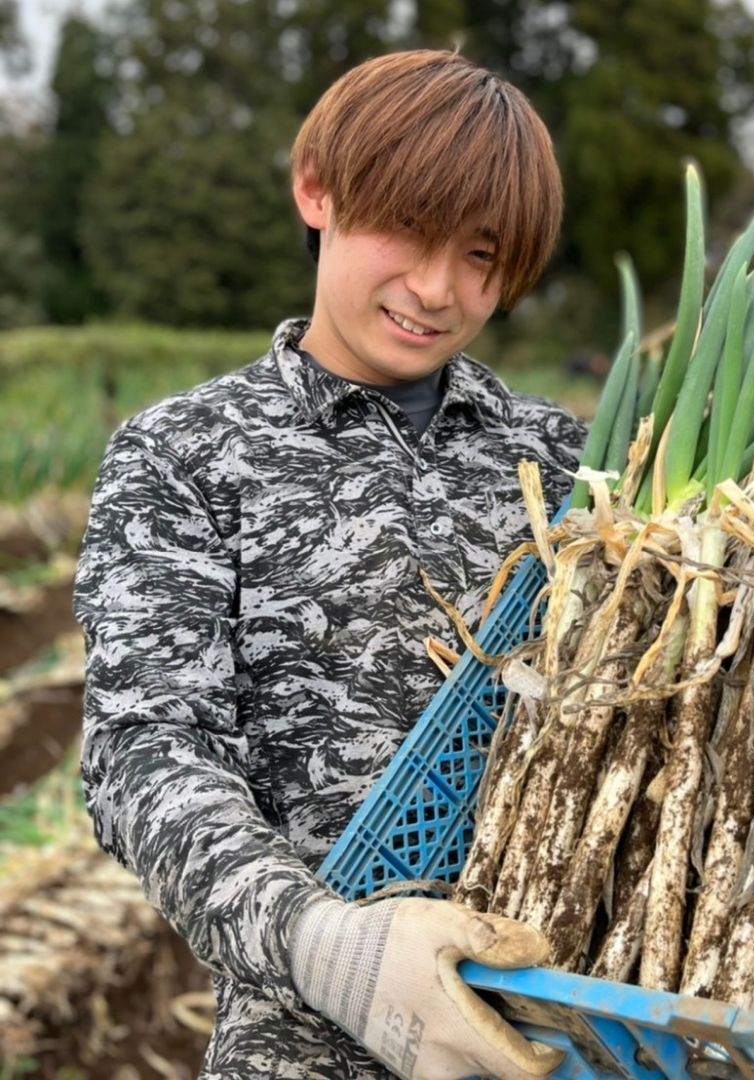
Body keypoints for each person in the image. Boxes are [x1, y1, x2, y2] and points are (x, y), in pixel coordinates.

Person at [74, 49, 586, 1079]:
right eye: (408, 231)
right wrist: (326, 947)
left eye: (481, 256)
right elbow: (145, 750)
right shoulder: (186, 454)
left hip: (562, 1038)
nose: (437, 289)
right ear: (319, 191)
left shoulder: (566, 464)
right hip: (308, 1045)